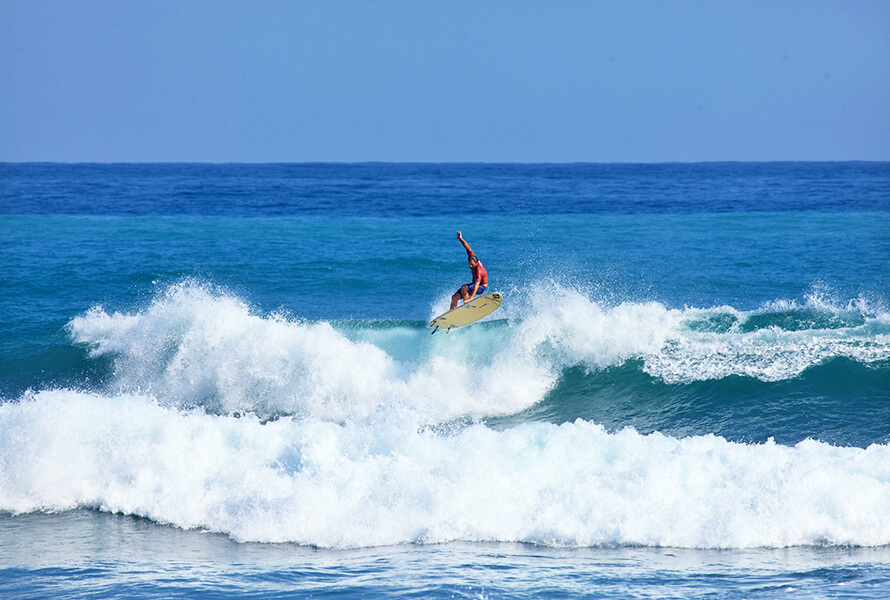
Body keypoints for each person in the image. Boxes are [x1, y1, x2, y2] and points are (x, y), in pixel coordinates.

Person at [450, 231, 488, 309]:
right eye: (469, 264)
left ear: (476, 262)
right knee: (454, 297)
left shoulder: (479, 270)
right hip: (473, 285)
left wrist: (471, 298)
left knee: (464, 287)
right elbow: (467, 247)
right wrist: (461, 239)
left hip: (481, 287)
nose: (470, 266)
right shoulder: (472, 257)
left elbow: (477, 285)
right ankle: (450, 313)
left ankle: (467, 306)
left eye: (472, 265)